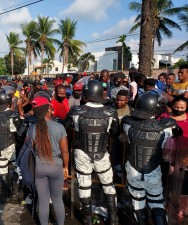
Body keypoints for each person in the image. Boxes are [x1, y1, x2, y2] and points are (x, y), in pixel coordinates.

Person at [66, 80, 119, 225]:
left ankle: (87, 219)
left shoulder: (76, 111)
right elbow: (115, 133)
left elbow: (65, 127)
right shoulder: (110, 112)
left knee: (84, 185)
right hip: (102, 153)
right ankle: (114, 219)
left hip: (82, 153)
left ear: (86, 94)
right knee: (108, 185)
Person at [122, 91, 179, 225]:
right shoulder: (167, 127)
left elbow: (128, 119)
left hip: (133, 169)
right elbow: (177, 131)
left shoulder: (128, 124)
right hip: (153, 170)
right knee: (156, 202)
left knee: (138, 202)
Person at [29, 96, 69, 225]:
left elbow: (28, 149)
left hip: (39, 167)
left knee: (43, 200)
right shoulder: (59, 127)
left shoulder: (32, 128)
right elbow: (65, 151)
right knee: (57, 199)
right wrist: (66, 167)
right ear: (47, 109)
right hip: (56, 166)